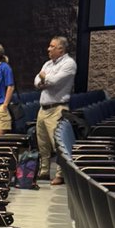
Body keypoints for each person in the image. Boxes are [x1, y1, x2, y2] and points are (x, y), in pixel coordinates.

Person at [34, 35, 77, 185]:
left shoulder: (69, 63)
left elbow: (54, 81)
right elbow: (36, 81)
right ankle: (44, 171)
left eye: (52, 46)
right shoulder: (47, 64)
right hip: (43, 109)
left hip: (57, 109)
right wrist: (43, 80)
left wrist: (44, 79)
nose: (48, 49)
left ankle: (60, 174)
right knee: (42, 143)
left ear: (61, 49)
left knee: (57, 144)